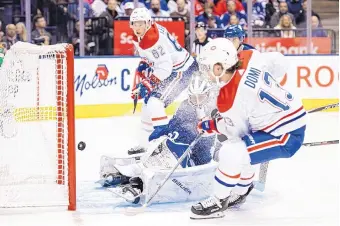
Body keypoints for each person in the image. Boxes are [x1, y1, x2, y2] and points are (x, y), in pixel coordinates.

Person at [190, 38, 306, 219]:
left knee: (231, 150)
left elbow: (237, 133)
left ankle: (219, 200)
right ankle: (242, 190)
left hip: (285, 135)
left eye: (207, 67)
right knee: (245, 148)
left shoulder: (228, 99)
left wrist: (212, 125)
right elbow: (278, 60)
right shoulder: (248, 56)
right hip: (290, 112)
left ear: (219, 67)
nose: (205, 72)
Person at [98, 72, 218, 204]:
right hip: (177, 145)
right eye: (193, 98)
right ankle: (128, 175)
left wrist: (199, 138)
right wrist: (165, 130)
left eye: (200, 98)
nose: (196, 102)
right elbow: (175, 123)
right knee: (157, 152)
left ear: (208, 94)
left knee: (165, 162)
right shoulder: (186, 105)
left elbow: (208, 145)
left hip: (194, 156)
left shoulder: (213, 111)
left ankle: (138, 184)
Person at [129, 7, 198, 153]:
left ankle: (164, 146)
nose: (138, 27)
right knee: (148, 104)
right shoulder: (144, 34)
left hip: (183, 70)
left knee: (155, 101)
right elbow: (154, 58)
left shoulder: (153, 40)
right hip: (174, 69)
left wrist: (148, 83)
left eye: (141, 23)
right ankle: (144, 144)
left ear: (148, 23)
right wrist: (145, 62)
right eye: (135, 23)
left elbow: (165, 68)